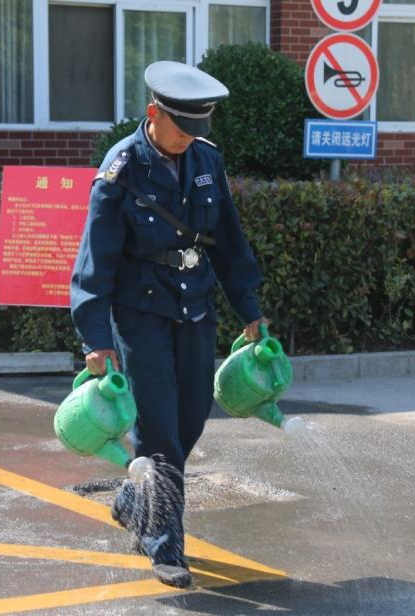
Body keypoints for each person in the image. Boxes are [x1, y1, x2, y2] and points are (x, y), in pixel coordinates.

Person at [70, 60, 267, 588]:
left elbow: (228, 240)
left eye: (198, 130)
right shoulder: (121, 169)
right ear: (153, 114)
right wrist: (95, 338)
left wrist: (249, 308)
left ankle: (135, 499)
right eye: (182, 128)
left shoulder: (206, 161)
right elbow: (97, 259)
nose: (189, 139)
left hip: (196, 305)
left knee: (191, 419)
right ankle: (164, 543)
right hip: (142, 314)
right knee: (159, 431)